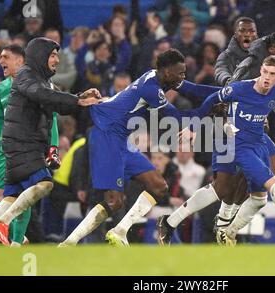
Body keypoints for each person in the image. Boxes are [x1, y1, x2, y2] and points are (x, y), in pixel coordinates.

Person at [159, 56, 275, 246]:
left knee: (262, 194)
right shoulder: (238, 87)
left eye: (272, 74)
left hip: (258, 139)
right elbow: (203, 93)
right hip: (232, 139)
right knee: (226, 188)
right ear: (259, 70)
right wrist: (189, 115)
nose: (267, 77)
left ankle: (233, 230)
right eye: (265, 72)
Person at [59, 49, 204, 247]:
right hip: (106, 134)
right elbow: (176, 118)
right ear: (168, 72)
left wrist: (224, 94)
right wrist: (203, 118)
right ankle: (68, 243)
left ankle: (120, 231)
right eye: (180, 73)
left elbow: (194, 91)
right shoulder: (151, 89)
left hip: (121, 139)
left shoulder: (153, 76)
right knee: (114, 201)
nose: (183, 77)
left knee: (159, 186)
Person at [0, 37, 100, 246]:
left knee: (11, 198)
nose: (57, 59)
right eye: (53, 55)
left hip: (20, 143)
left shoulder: (40, 79)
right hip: (23, 143)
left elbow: (54, 99)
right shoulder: (26, 75)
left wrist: (80, 96)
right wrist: (78, 101)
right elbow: (42, 95)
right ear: (40, 55)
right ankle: (3, 222)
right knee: (45, 183)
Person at [0, 45, 61, 246]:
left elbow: (51, 120)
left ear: (20, 60)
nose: (0, 60)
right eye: (0, 57)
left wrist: (52, 148)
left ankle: (16, 243)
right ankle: (16, 235)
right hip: (4, 151)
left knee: (22, 193)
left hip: (28, 148)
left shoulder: (39, 85)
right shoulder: (1, 88)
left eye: (5, 57)